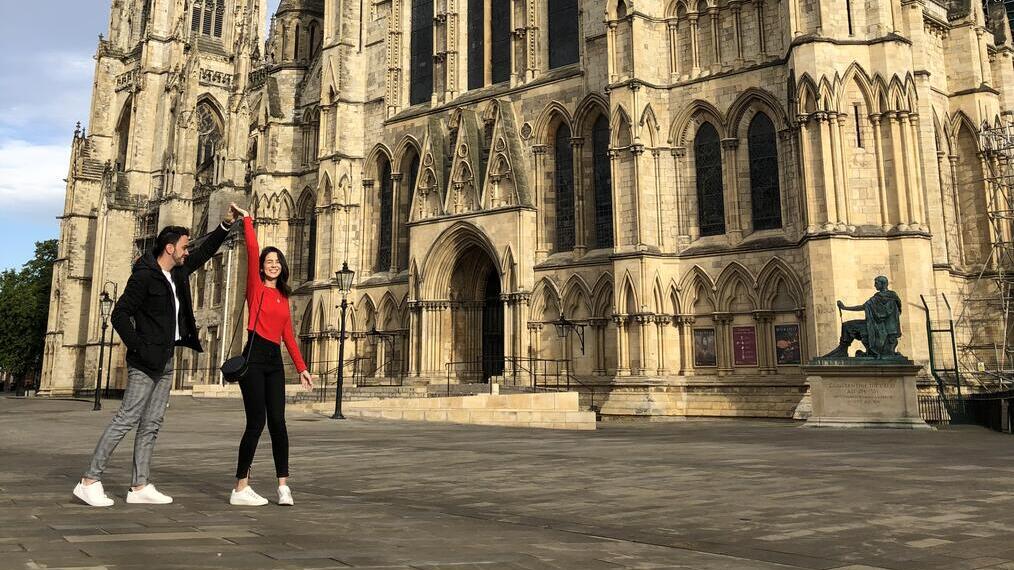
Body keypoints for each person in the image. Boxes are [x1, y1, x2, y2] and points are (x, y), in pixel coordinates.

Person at [73, 211, 238, 507]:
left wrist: (225, 225)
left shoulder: (177, 274)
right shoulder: (144, 276)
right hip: (146, 361)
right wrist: (138, 346)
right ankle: (89, 480)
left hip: (166, 359)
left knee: (151, 423)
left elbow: (204, 253)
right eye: (184, 247)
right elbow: (119, 314)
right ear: (170, 248)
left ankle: (139, 485)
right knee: (127, 419)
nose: (188, 251)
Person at [229, 203, 314, 507]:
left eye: (277, 261)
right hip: (253, 359)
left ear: (283, 266)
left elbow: (288, 336)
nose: (273, 264)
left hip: (274, 362)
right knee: (256, 423)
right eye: (269, 261)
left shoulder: (283, 297)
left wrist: (302, 368)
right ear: (262, 266)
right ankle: (241, 487)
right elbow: (252, 250)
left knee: (278, 422)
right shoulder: (256, 288)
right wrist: (247, 219)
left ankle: (283, 486)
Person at [823, 275, 904, 359]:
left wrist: (844, 308)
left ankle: (842, 350)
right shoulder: (886, 297)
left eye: (876, 283)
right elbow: (864, 307)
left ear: (883, 284)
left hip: (878, 328)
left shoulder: (884, 298)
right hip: (877, 326)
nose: (874, 285)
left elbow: (863, 307)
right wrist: (845, 308)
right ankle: (842, 349)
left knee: (847, 326)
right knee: (847, 325)